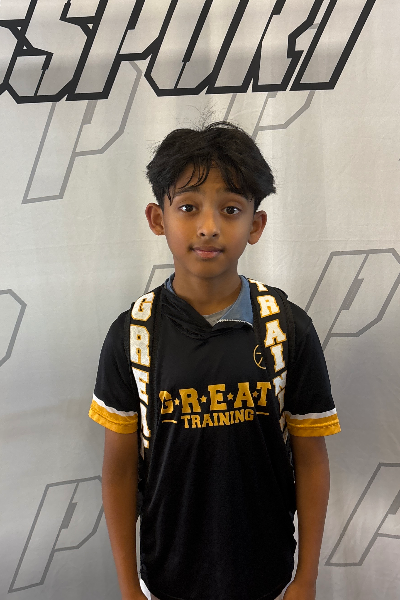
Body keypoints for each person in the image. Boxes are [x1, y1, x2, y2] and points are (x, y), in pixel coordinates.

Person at [89, 121, 341, 600]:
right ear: (158, 218)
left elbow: (311, 460)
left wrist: (306, 578)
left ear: (255, 225)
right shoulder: (133, 334)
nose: (208, 226)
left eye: (230, 209)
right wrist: (128, 588)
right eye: (188, 207)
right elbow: (119, 472)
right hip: (168, 578)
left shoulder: (287, 328)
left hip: (267, 576)